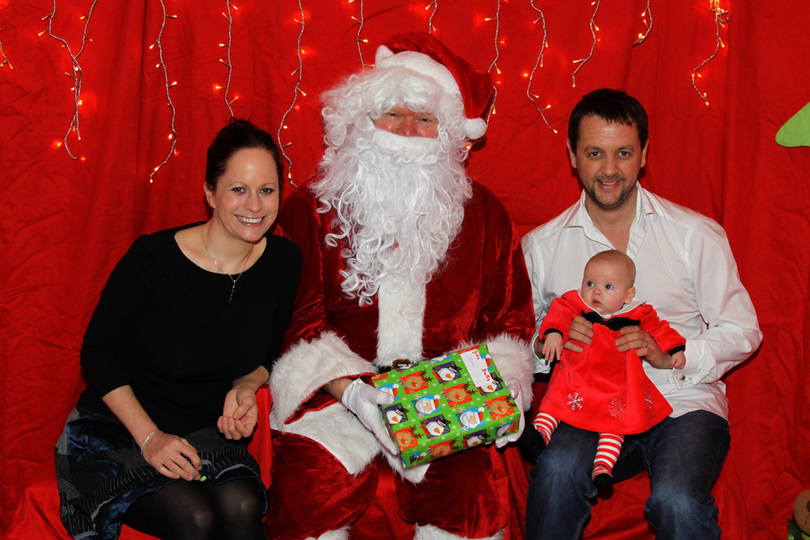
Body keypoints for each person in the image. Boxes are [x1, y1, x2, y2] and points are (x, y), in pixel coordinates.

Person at [266, 32, 535, 540]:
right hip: (336, 399)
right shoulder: (311, 209)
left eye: (425, 118)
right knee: (308, 490)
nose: (407, 131)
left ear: (448, 133)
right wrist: (354, 393)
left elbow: (508, 320)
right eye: (392, 113)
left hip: (444, 401)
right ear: (362, 120)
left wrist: (505, 387)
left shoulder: (483, 214)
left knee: (470, 493)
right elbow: (296, 323)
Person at [521, 88, 762, 539]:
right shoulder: (541, 246)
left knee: (676, 500)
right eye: (595, 153)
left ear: (644, 154)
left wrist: (673, 355)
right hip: (590, 402)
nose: (610, 170)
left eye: (624, 153)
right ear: (572, 155)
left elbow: (742, 330)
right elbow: (524, 337)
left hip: (682, 400)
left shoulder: (695, 234)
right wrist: (547, 342)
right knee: (554, 475)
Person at [55, 119, 302, 540]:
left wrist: (245, 387)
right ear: (210, 193)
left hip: (207, 431)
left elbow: (269, 352)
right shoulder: (152, 259)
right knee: (195, 519)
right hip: (121, 430)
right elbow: (98, 352)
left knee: (243, 505)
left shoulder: (284, 261)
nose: (255, 205)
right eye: (238, 189)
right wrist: (150, 438)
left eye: (267, 190)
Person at [531, 250, 685, 492]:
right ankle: (539, 434)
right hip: (577, 378)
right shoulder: (573, 304)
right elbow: (558, 314)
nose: (596, 291)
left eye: (608, 286)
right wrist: (554, 333)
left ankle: (603, 467)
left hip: (617, 385)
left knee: (615, 424)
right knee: (555, 402)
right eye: (590, 283)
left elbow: (660, 329)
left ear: (629, 295)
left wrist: (675, 349)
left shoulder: (638, 313)